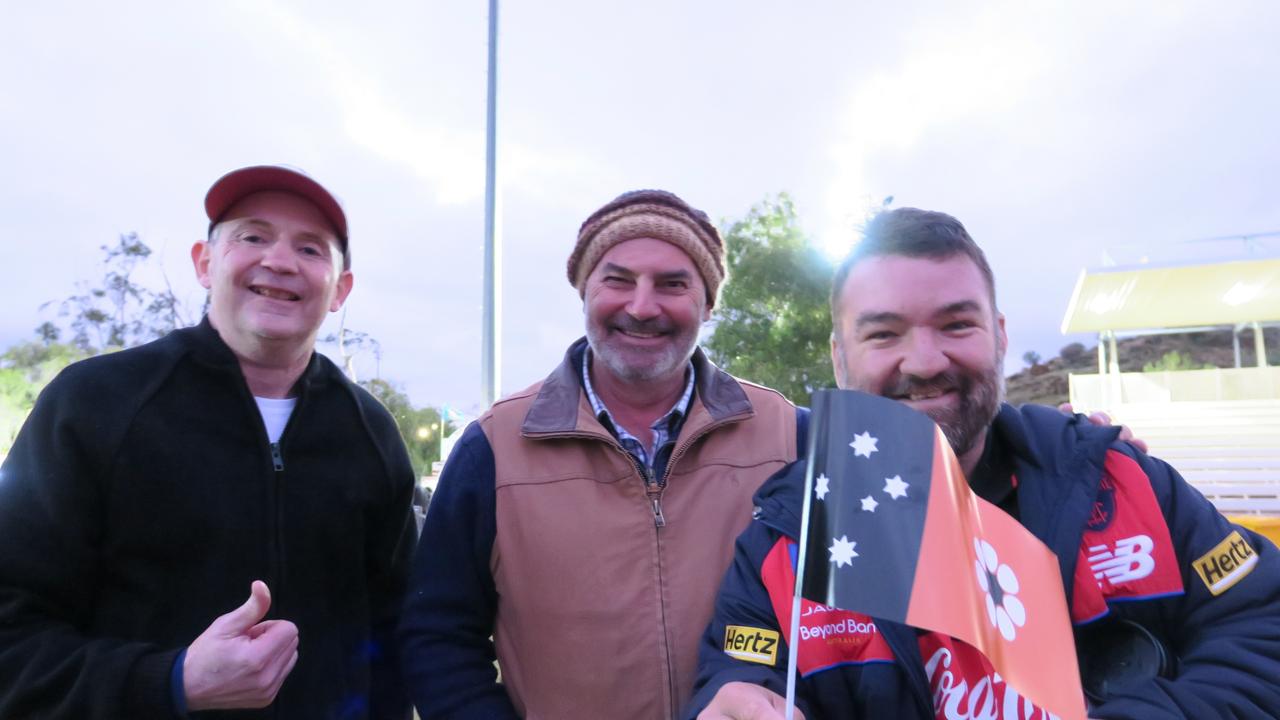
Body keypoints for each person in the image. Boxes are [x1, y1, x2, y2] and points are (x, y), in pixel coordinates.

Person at [687, 207, 1280, 719]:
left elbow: (1261, 625)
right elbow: (739, 675)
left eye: (956, 324)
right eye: (884, 334)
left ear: (999, 336)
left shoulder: (1124, 481)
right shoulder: (786, 537)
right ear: (840, 361)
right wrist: (735, 696)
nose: (923, 361)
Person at [0, 165, 417, 719]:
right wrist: (171, 681)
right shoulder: (93, 405)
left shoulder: (370, 434)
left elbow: (392, 635)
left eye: (311, 249)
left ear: (340, 289)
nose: (280, 261)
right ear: (204, 263)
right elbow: (13, 636)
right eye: (253, 236)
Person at [398, 189, 808, 719]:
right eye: (617, 280)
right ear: (584, 293)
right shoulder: (493, 447)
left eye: (673, 284)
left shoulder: (791, 437)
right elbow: (438, 635)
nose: (641, 306)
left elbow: (853, 629)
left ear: (707, 305)